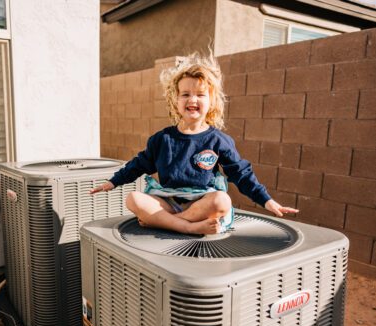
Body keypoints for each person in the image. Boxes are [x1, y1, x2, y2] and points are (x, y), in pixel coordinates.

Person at [90, 51, 298, 235]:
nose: (192, 99)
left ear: (211, 101)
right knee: (133, 199)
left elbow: (241, 173)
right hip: (168, 201)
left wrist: (266, 200)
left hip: (201, 204)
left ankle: (168, 223)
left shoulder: (218, 140)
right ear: (176, 100)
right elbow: (139, 164)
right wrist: (113, 182)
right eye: (185, 94)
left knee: (222, 200)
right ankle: (186, 226)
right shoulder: (162, 139)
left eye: (200, 94)